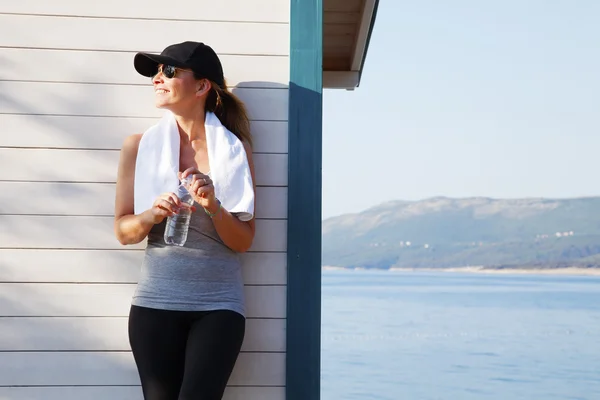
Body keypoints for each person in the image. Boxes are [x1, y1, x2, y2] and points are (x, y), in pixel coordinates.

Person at [113, 41, 256, 400]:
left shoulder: (236, 149)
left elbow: (243, 241)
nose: (158, 78)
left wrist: (212, 205)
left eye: (169, 71)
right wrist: (150, 214)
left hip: (218, 308)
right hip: (154, 306)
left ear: (202, 86)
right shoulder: (137, 146)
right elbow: (123, 232)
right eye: (156, 72)